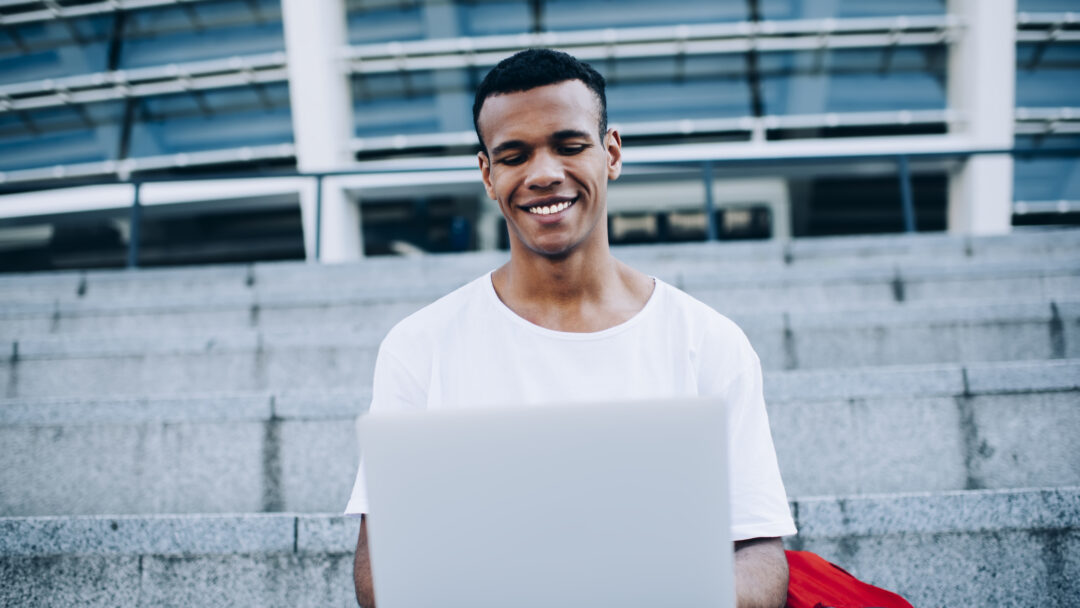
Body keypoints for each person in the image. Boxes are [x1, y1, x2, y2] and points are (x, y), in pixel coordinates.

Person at [345, 48, 796, 608]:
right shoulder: (420, 346)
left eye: (569, 145)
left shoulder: (709, 341)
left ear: (611, 153)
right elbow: (382, 567)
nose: (544, 174)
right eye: (514, 155)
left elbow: (758, 556)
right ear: (488, 174)